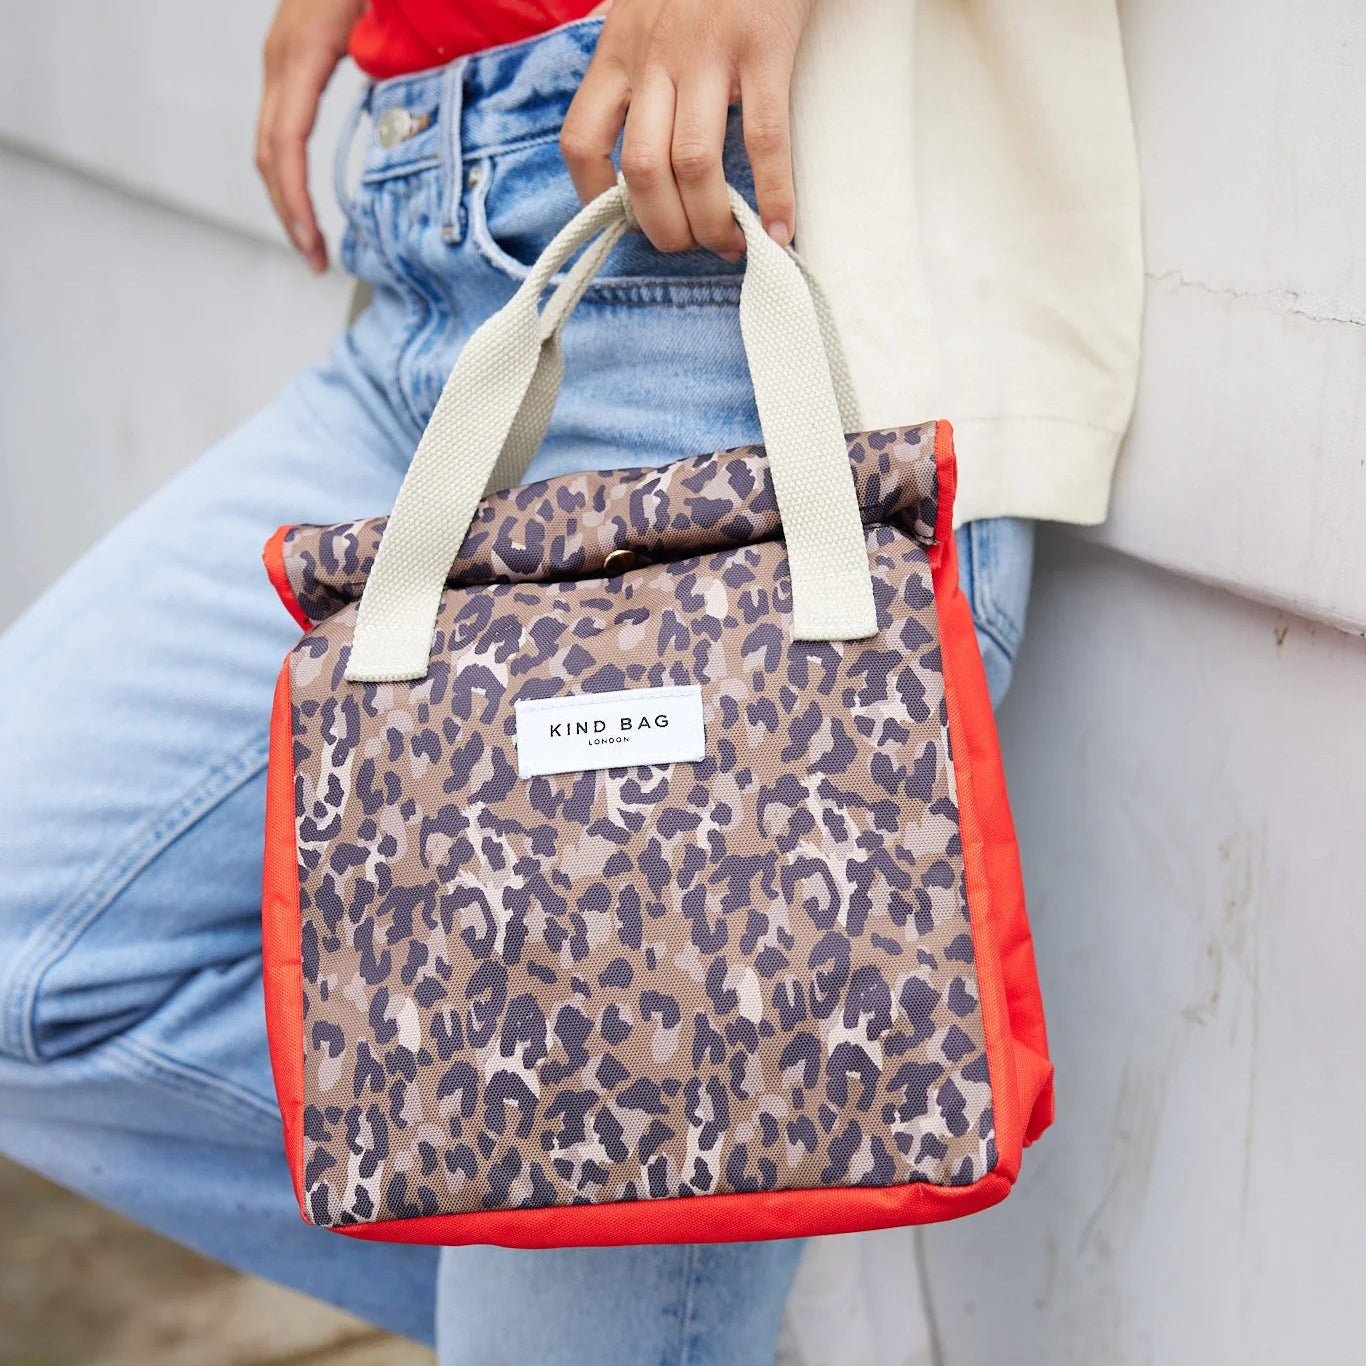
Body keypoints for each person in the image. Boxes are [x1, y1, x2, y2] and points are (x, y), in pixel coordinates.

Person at [0, 1, 1137, 1362]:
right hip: (429, 257)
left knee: (590, 1253)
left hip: (724, 290)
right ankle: (700, 1227)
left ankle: (697, 1229)